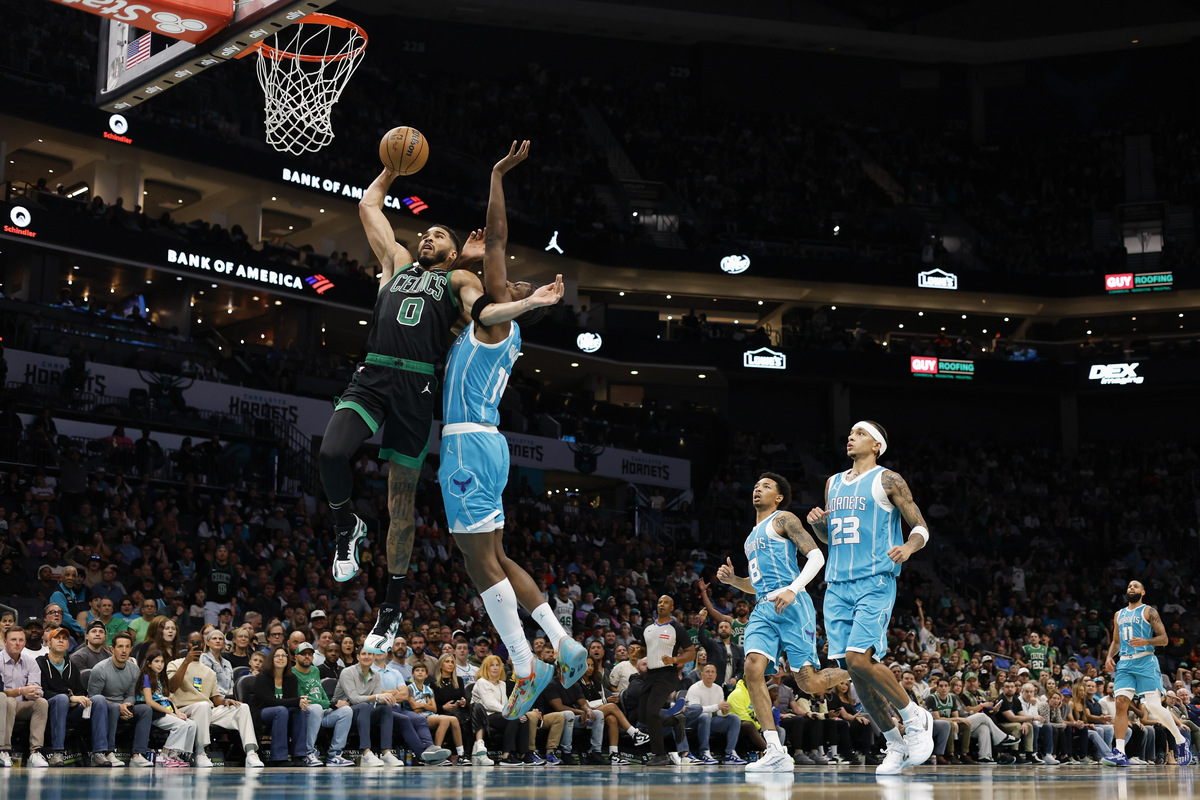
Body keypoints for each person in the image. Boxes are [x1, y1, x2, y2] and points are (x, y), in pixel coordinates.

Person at [319, 147, 490, 655]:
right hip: (374, 373)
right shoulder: (396, 262)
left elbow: (482, 317)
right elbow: (368, 206)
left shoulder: (458, 281)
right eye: (426, 233)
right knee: (330, 453)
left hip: (417, 386)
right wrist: (390, 170)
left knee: (401, 504)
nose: (428, 236)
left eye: (440, 235)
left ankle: (391, 608)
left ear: (454, 253)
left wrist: (481, 269)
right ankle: (346, 525)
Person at [436, 141, 579, 718]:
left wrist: (496, 175)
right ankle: (561, 641)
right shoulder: (501, 332)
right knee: (495, 552)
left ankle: (525, 663)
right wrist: (464, 263)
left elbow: (497, 239)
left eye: (515, 284)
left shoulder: (499, 317)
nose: (509, 280)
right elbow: (463, 291)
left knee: (477, 561)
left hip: (468, 446)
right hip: (489, 445)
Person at [806, 421, 935, 774]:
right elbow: (832, 538)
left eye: (860, 433)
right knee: (853, 670)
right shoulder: (832, 483)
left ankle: (914, 716)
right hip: (836, 584)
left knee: (859, 659)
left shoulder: (888, 479)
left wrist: (908, 547)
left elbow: (920, 526)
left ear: (877, 444)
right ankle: (895, 742)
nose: (851, 437)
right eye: (850, 433)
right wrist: (818, 525)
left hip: (874, 579)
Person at [715, 472, 849, 773]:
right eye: (755, 486)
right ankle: (775, 748)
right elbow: (755, 585)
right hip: (764, 608)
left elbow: (816, 557)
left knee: (809, 683)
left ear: (778, 497)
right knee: (752, 667)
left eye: (765, 486)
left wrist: (793, 589)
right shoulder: (750, 538)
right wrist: (734, 580)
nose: (757, 489)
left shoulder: (784, 519)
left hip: (793, 604)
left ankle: (853, 669)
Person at [1101, 580, 1192, 767]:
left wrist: (1146, 641)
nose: (1131, 588)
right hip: (1125, 663)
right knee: (1120, 703)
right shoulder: (1119, 614)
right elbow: (1116, 641)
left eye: (1135, 586)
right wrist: (1109, 657)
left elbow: (1164, 639)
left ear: (1143, 592)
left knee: (1154, 706)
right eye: (1129, 586)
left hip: (1145, 661)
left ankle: (1180, 740)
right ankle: (1120, 752)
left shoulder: (1149, 611)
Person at [169, 630, 265, 768]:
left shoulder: (209, 671)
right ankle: (200, 752)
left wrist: (225, 702)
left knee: (242, 708)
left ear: (203, 645)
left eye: (199, 643)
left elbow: (215, 698)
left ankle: (251, 753)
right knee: (203, 706)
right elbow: (172, 687)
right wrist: (186, 662)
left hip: (207, 710)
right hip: (183, 710)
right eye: (192, 643)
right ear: (187, 645)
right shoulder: (175, 664)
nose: (196, 645)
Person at [37, 626, 115, 766]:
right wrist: (69, 697)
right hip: (48, 707)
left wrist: (77, 699)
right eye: (57, 638)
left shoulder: (71, 665)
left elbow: (80, 690)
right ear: (49, 643)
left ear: (68, 645)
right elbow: (42, 691)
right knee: (61, 699)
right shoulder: (40, 662)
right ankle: (57, 753)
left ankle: (99, 752)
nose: (61, 641)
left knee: (99, 699)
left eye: (64, 639)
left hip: (71, 708)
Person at [639, 594, 696, 766]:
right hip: (650, 674)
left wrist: (674, 659)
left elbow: (691, 653)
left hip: (667, 675)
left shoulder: (677, 628)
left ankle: (660, 755)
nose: (661, 604)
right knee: (643, 716)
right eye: (659, 602)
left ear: (672, 608)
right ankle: (675, 721)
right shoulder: (648, 628)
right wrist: (637, 653)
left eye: (665, 602)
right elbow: (645, 650)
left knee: (652, 712)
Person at [87, 632, 155, 767]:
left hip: (123, 706)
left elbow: (131, 694)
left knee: (146, 709)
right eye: (120, 647)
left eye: (127, 647)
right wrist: (119, 707)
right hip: (105, 706)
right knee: (113, 708)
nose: (124, 651)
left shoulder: (134, 669)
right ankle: (109, 752)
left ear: (131, 649)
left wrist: (126, 705)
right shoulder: (100, 669)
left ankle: (137, 755)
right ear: (112, 649)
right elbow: (94, 697)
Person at [332, 646, 401, 767]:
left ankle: (386, 752)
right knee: (364, 706)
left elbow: (376, 700)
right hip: (344, 712)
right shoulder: (347, 672)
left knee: (385, 707)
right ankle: (366, 752)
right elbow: (354, 699)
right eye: (363, 654)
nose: (367, 657)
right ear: (358, 657)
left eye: (370, 654)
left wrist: (385, 698)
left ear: (374, 657)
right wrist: (377, 696)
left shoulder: (376, 675)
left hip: (364, 712)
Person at [293, 642, 354, 767]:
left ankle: (335, 755)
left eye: (310, 654)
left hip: (322, 711)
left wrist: (329, 704)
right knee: (316, 708)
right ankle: (308, 753)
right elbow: (303, 698)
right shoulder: (292, 673)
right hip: (305, 713)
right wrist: (331, 704)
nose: (307, 656)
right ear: (296, 657)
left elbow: (320, 691)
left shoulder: (315, 670)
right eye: (303, 654)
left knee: (346, 711)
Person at [136, 646, 198, 767]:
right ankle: (164, 754)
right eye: (156, 661)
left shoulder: (162, 678)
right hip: (153, 712)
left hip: (165, 709)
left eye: (162, 662)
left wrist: (178, 712)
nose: (160, 665)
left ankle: (176, 754)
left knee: (192, 724)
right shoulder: (146, 677)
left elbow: (168, 698)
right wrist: (171, 714)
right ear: (149, 663)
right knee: (181, 725)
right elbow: (149, 701)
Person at [248, 647, 309, 765]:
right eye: (277, 656)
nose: (281, 658)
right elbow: (269, 701)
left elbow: (292, 701)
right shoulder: (263, 677)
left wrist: (300, 703)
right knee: (281, 710)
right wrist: (296, 701)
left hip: (282, 711)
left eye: (284, 655)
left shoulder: (292, 678)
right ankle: (279, 757)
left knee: (299, 711)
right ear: (271, 659)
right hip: (261, 711)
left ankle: (299, 755)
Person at [1, 626, 49, 767]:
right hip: (2, 705)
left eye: (21, 640)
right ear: (5, 642)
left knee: (41, 702)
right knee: (8, 701)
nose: (17, 643)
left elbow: (36, 687)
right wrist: (21, 691)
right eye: (13, 640)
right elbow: (1, 692)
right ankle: (4, 750)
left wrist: (34, 693)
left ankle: (35, 752)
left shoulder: (30, 661)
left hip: (21, 706)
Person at [685, 663, 744, 764]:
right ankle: (704, 752)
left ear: (716, 676)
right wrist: (717, 707)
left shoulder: (718, 689)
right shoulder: (694, 688)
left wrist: (724, 711)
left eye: (712, 672)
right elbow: (695, 711)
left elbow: (719, 712)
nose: (710, 674)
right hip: (694, 721)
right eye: (707, 672)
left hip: (711, 720)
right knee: (705, 716)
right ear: (702, 675)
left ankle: (729, 754)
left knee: (734, 718)